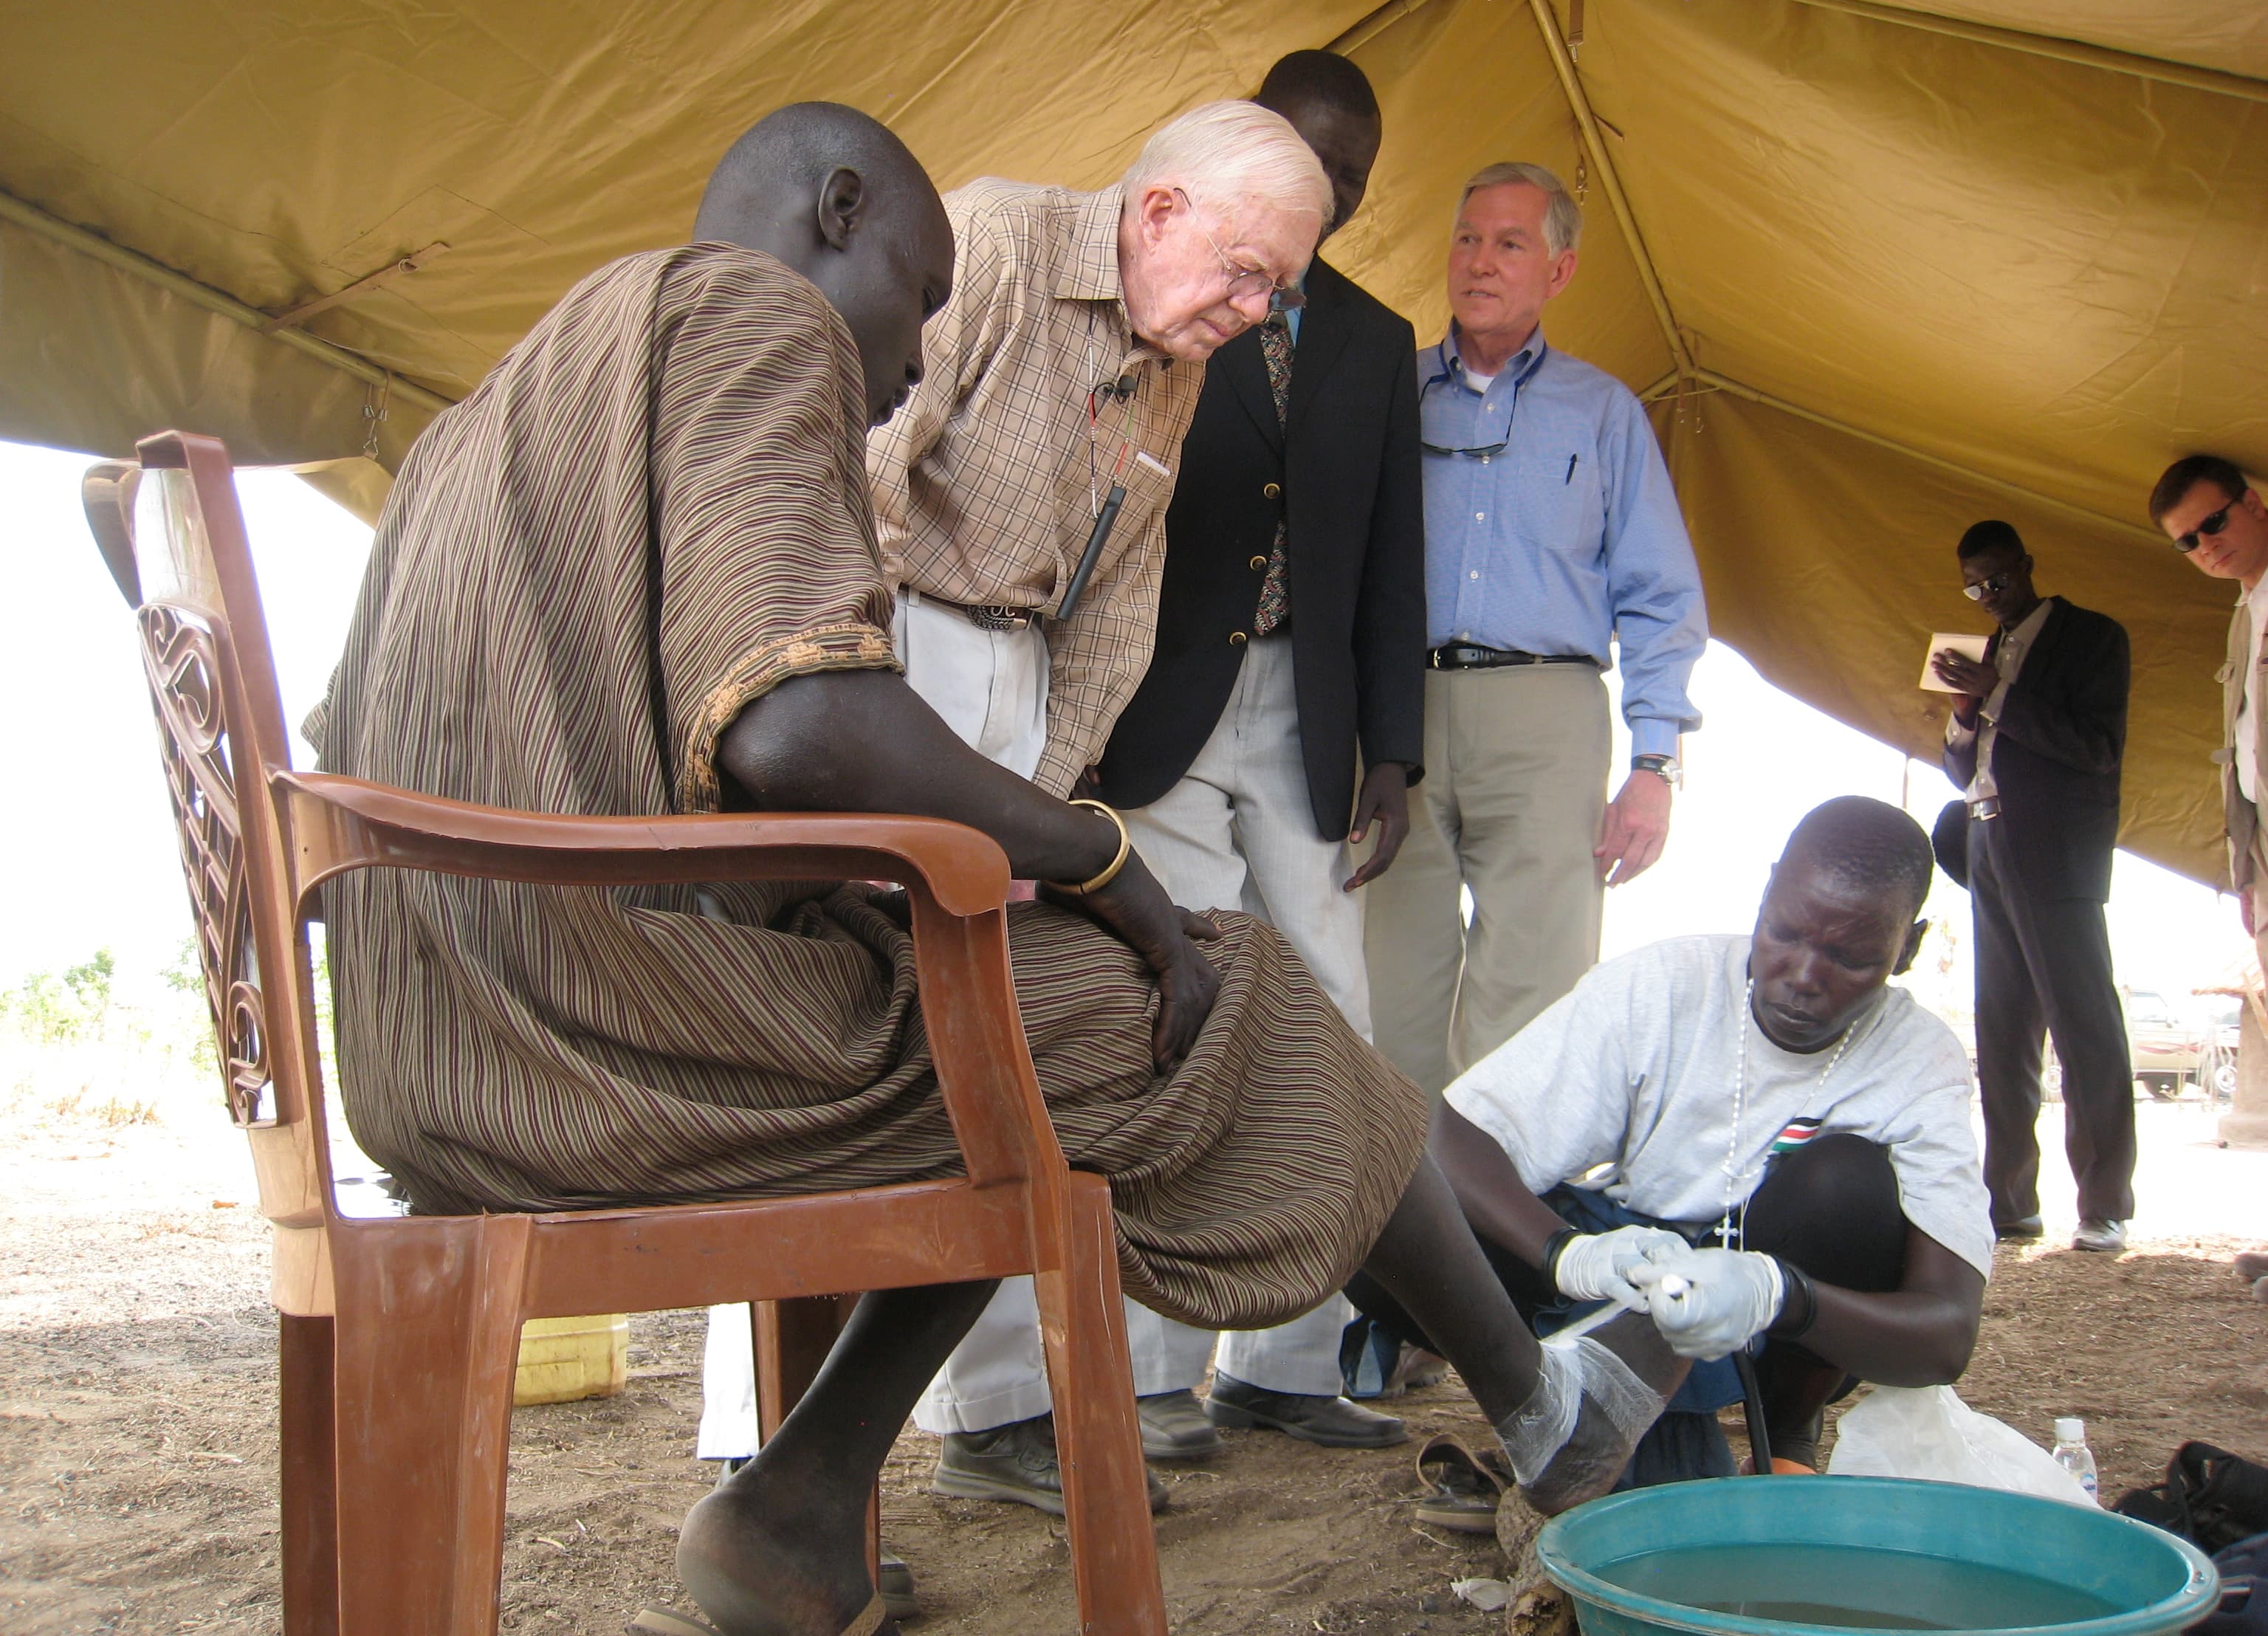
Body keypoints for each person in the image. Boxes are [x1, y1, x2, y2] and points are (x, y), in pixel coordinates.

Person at [310, 103, 1671, 1636]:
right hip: (602, 1043)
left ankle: (801, 1505)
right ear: (836, 210)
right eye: (917, 299)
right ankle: (1547, 1411)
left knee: (1025, 1014)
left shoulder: (516, 386)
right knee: (1209, 992)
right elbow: (803, 719)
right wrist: (1098, 858)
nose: (909, 365)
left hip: (441, 1037)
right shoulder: (747, 311)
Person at [690, 97, 1336, 1522]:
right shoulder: (985, 239)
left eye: (1274, 287)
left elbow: (1119, 609)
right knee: (812, 1020)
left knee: (985, 1036)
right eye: (1243, 268)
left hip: (1017, 689)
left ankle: (988, 1418)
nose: (1253, 307)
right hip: (876, 652)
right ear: (1158, 210)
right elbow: (851, 465)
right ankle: (761, 1443)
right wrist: (860, 684)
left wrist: (1044, 817)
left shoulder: (1179, 353)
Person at [1090, 50, 1424, 1459]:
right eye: (1308, 156)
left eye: (1351, 175)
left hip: (1309, 715)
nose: (1331, 191)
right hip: (1160, 702)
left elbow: (1393, 557)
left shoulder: (1374, 337)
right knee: (1179, 1014)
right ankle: (1153, 1375)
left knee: (1336, 1019)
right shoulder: (1164, 286)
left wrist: (1393, 753)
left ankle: (1287, 1362)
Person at [1348, 797, 1991, 1496]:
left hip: (1774, 1314)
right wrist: (1566, 1253)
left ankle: (1783, 1439)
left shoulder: (1919, 1061)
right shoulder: (1666, 986)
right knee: (1380, 1208)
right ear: (1768, 891)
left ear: (1910, 947)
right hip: (1618, 1272)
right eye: (1785, 933)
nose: (1805, 975)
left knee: (1848, 1184)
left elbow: (1946, 1332)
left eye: (1851, 958)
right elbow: (1455, 1136)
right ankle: (1542, 1416)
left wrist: (1782, 1295)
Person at [1362, 161, 1706, 1103]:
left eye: (1511, 243)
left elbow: (1660, 596)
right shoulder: (1387, 393)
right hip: (1399, 714)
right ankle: (1397, 1230)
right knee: (1387, 989)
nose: (1480, 262)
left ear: (1559, 272)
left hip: (1548, 716)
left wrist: (1654, 765)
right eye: (1467, 239)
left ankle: (1497, 1228)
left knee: (1539, 993)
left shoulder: (1604, 413)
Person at [1932, 520, 2134, 1253]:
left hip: (2056, 850)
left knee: (2084, 1027)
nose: (1988, 595)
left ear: (2028, 563)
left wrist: (2001, 694)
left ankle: (2105, 1204)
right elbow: (1964, 770)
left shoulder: (2093, 638)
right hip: (1985, 837)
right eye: (1974, 585)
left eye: (1998, 579)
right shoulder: (1983, 652)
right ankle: (2009, 1204)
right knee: (2003, 1027)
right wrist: (1963, 714)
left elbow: (2098, 749)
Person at [2151, 456, 2268, 962]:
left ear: (2254, 504)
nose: (2206, 545)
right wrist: (2247, 873)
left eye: (2213, 523)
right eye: (2187, 541)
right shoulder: (2244, 612)